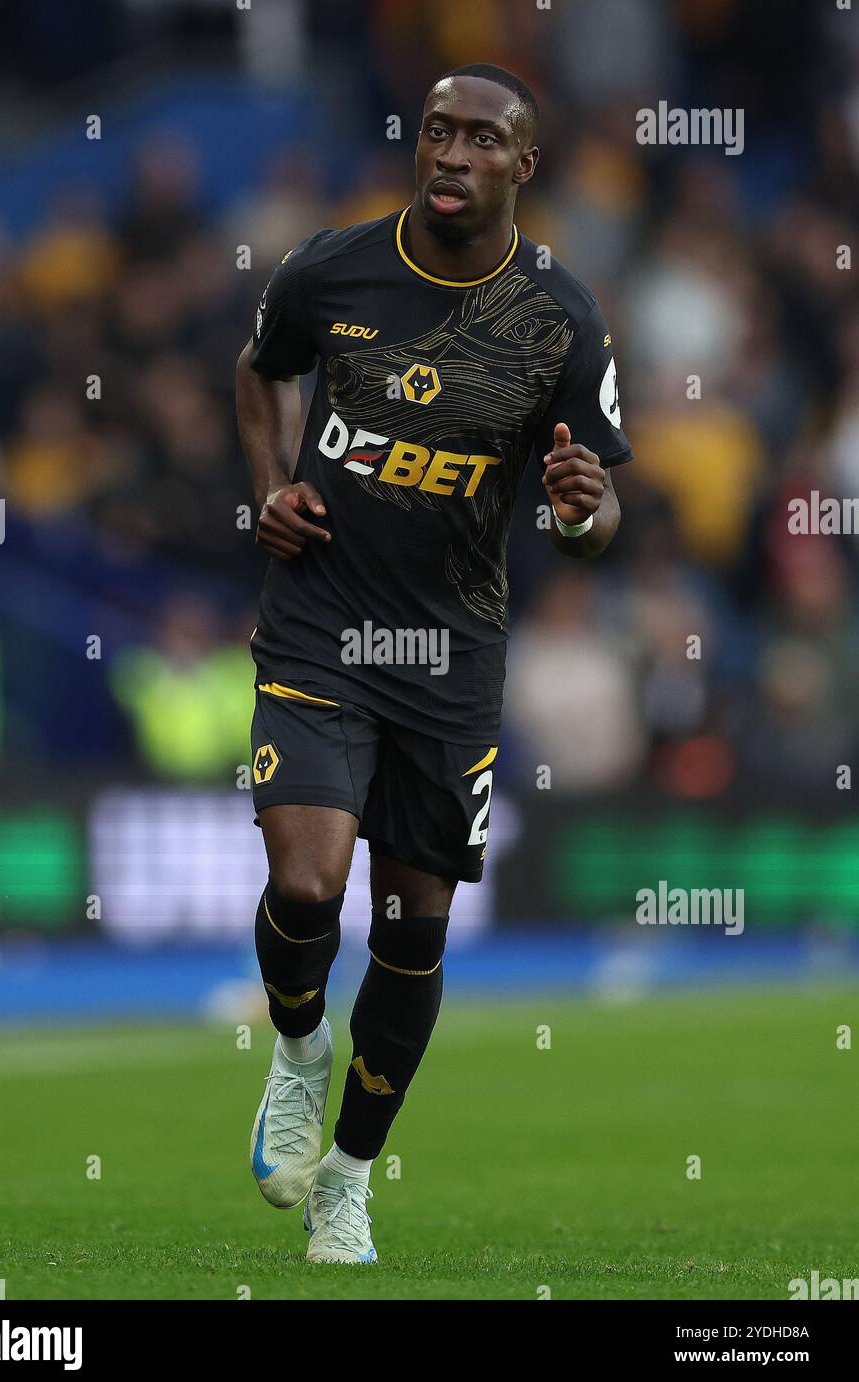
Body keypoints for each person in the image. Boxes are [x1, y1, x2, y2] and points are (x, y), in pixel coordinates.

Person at [235, 63, 632, 1264]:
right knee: (308, 887)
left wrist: (580, 510)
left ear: (525, 164)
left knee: (411, 932)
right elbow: (262, 371)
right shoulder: (331, 267)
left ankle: (348, 1178)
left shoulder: (560, 317)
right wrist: (270, 489)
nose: (451, 153)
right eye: (435, 132)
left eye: (481, 139)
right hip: (320, 623)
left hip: (449, 656)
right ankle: (300, 1043)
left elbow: (596, 522)